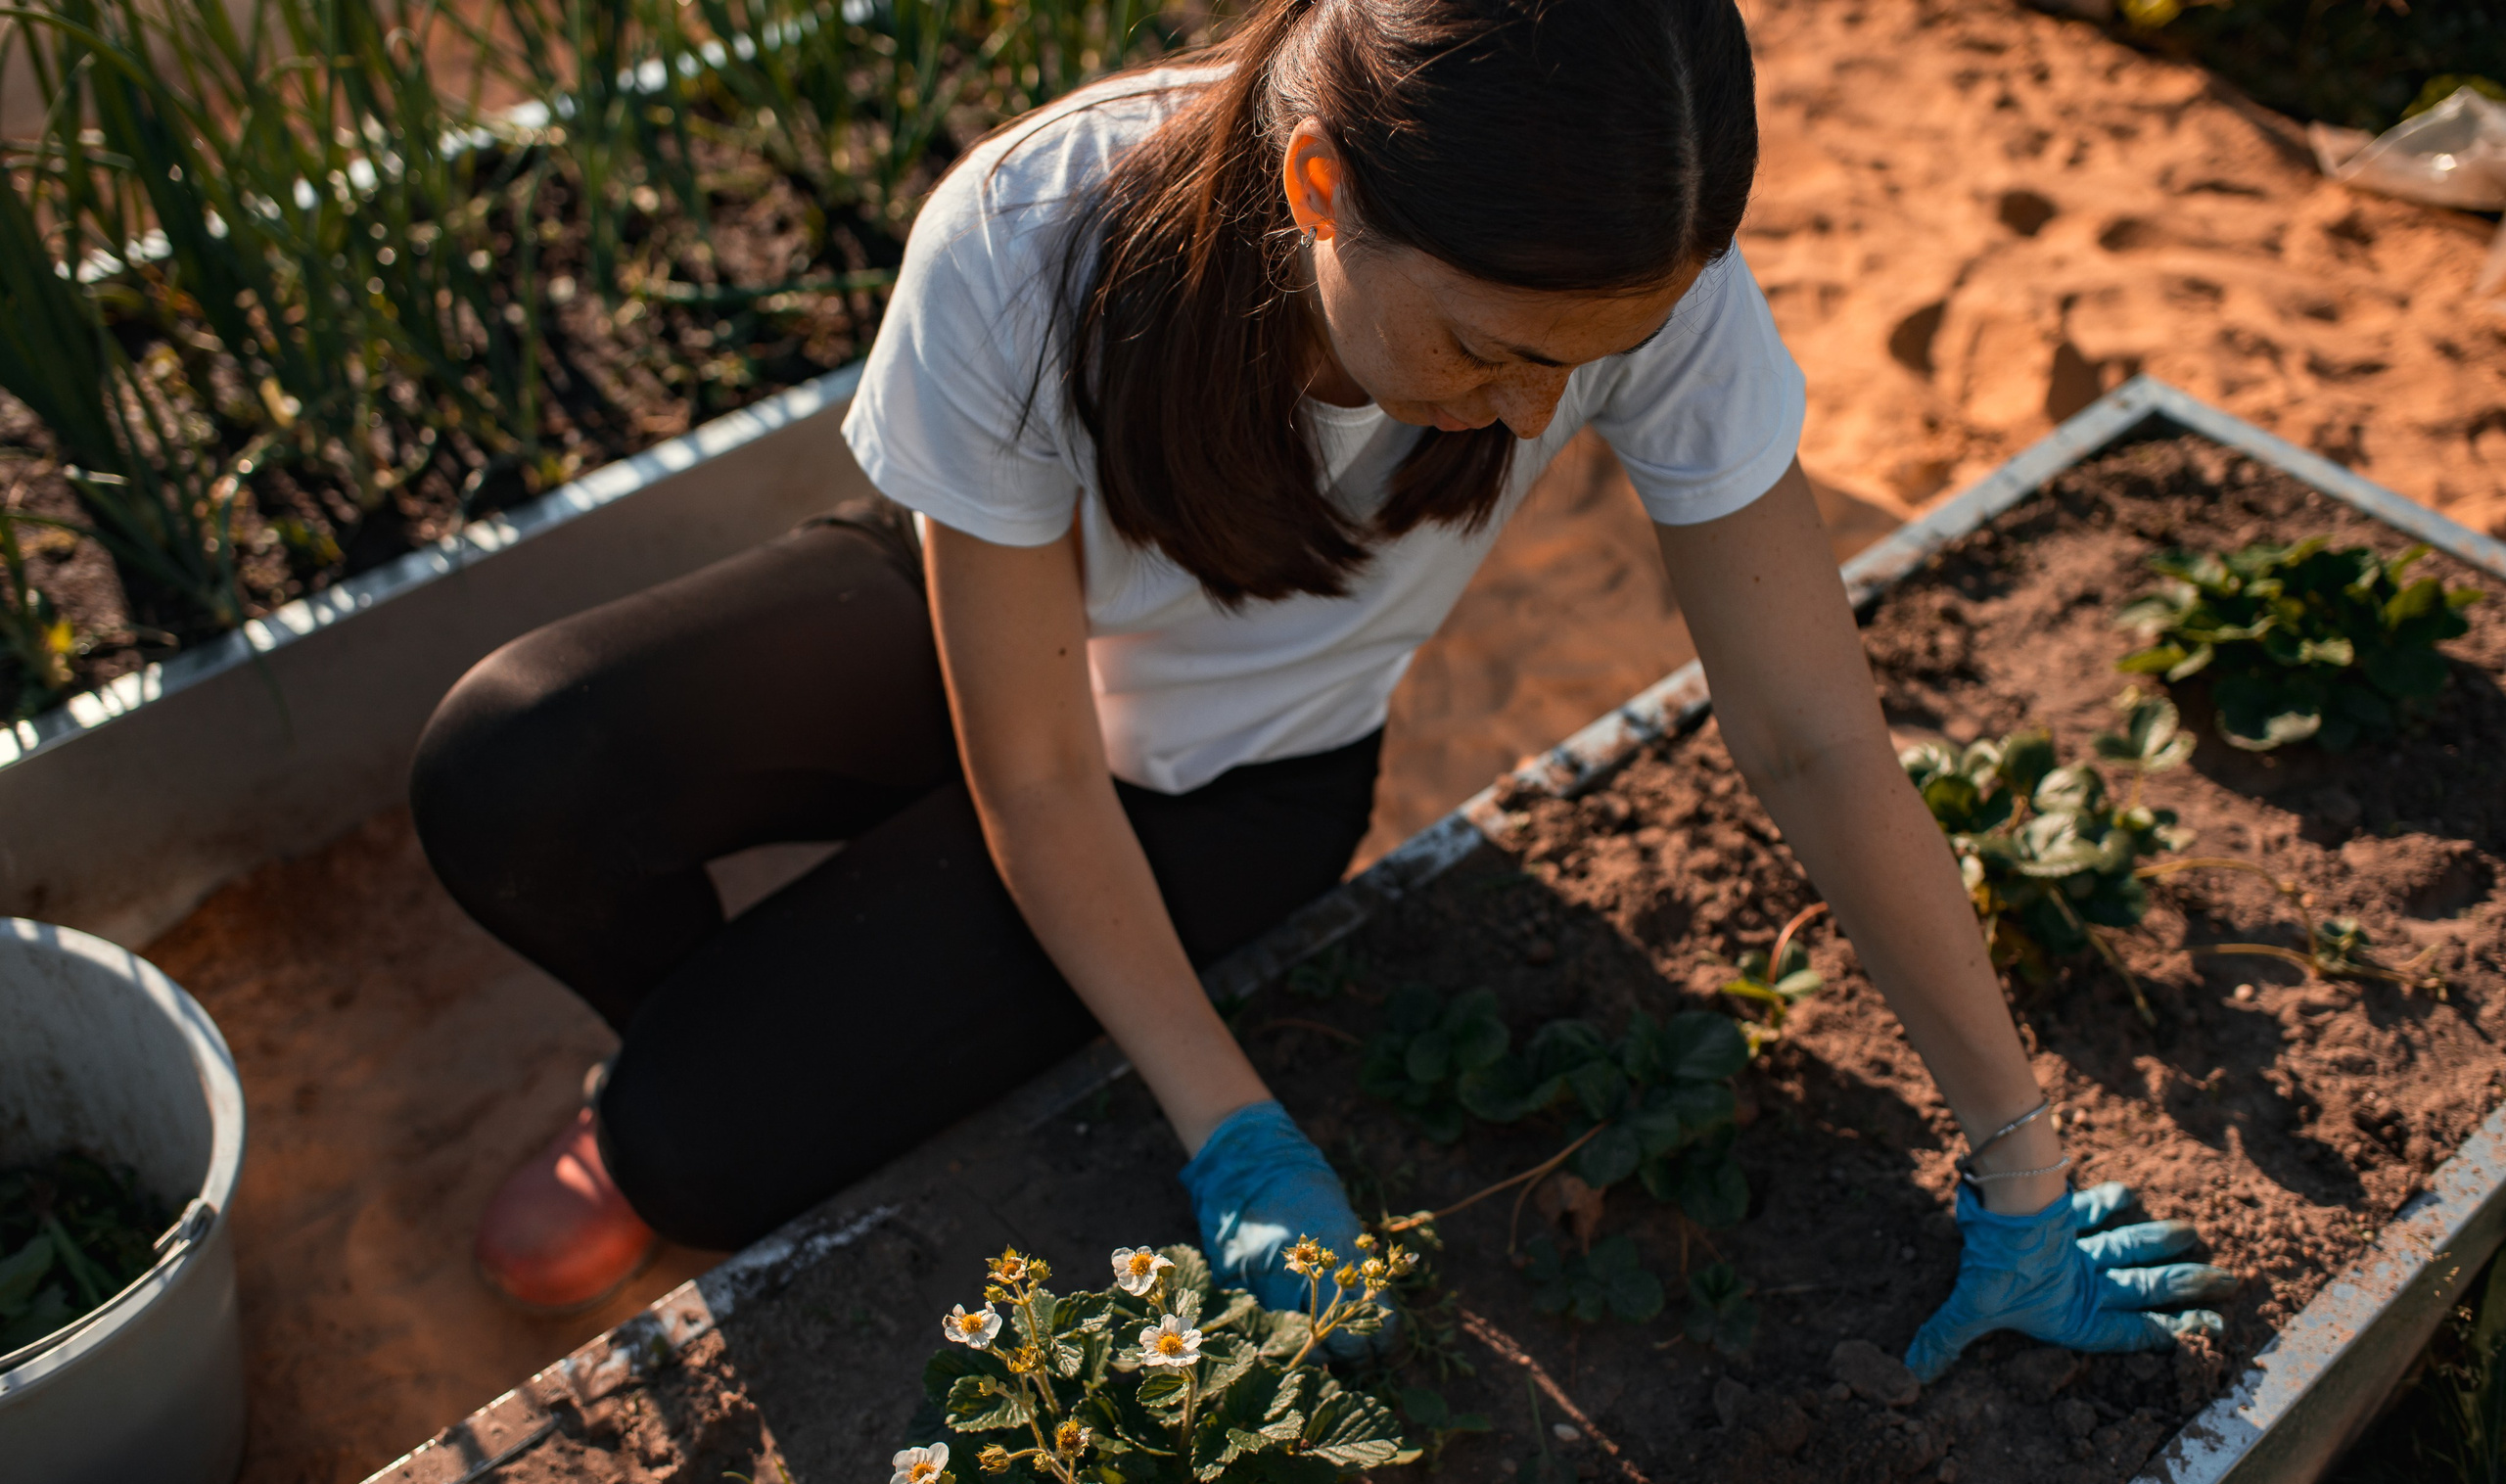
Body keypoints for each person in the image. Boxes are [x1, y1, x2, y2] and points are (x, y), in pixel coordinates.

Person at [410, 0, 2232, 1374]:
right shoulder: (1036, 236)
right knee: (517, 762)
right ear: (1318, 186)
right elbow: (1033, 771)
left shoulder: (1637, 299)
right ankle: (712, 1013)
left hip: (1228, 776)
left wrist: (2018, 1160)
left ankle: (699, 1066)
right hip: (993, 635)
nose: (1538, 418)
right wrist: (1239, 1129)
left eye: (1582, 367)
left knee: (694, 1145)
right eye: (1492, 350)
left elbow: (1818, 736)